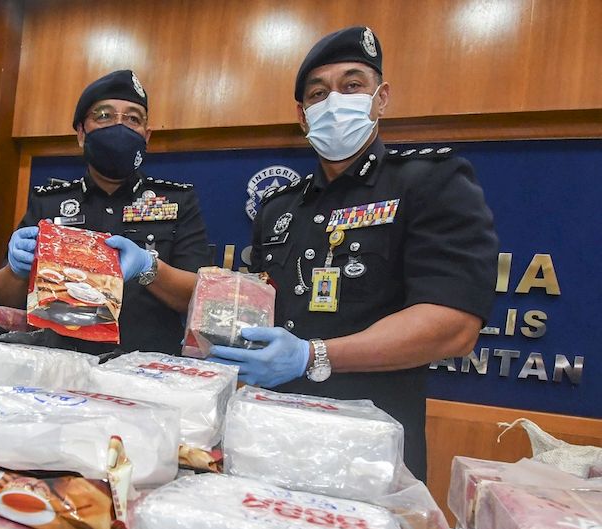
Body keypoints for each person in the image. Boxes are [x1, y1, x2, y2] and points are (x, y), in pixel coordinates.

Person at [209, 26, 498, 481]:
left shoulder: (429, 181)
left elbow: (453, 325)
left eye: (352, 86)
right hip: (265, 438)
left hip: (367, 449)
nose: (334, 102)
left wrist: (313, 355)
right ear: (303, 115)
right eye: (318, 93)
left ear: (380, 98)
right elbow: (259, 306)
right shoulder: (280, 207)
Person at [0, 70, 211, 354]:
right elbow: (1, 296)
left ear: (147, 135)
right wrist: (16, 270)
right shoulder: (49, 203)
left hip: (146, 370)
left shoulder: (177, 201)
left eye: (133, 118)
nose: (120, 126)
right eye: (104, 116)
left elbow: (201, 296)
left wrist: (149, 268)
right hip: (61, 365)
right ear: (81, 133)